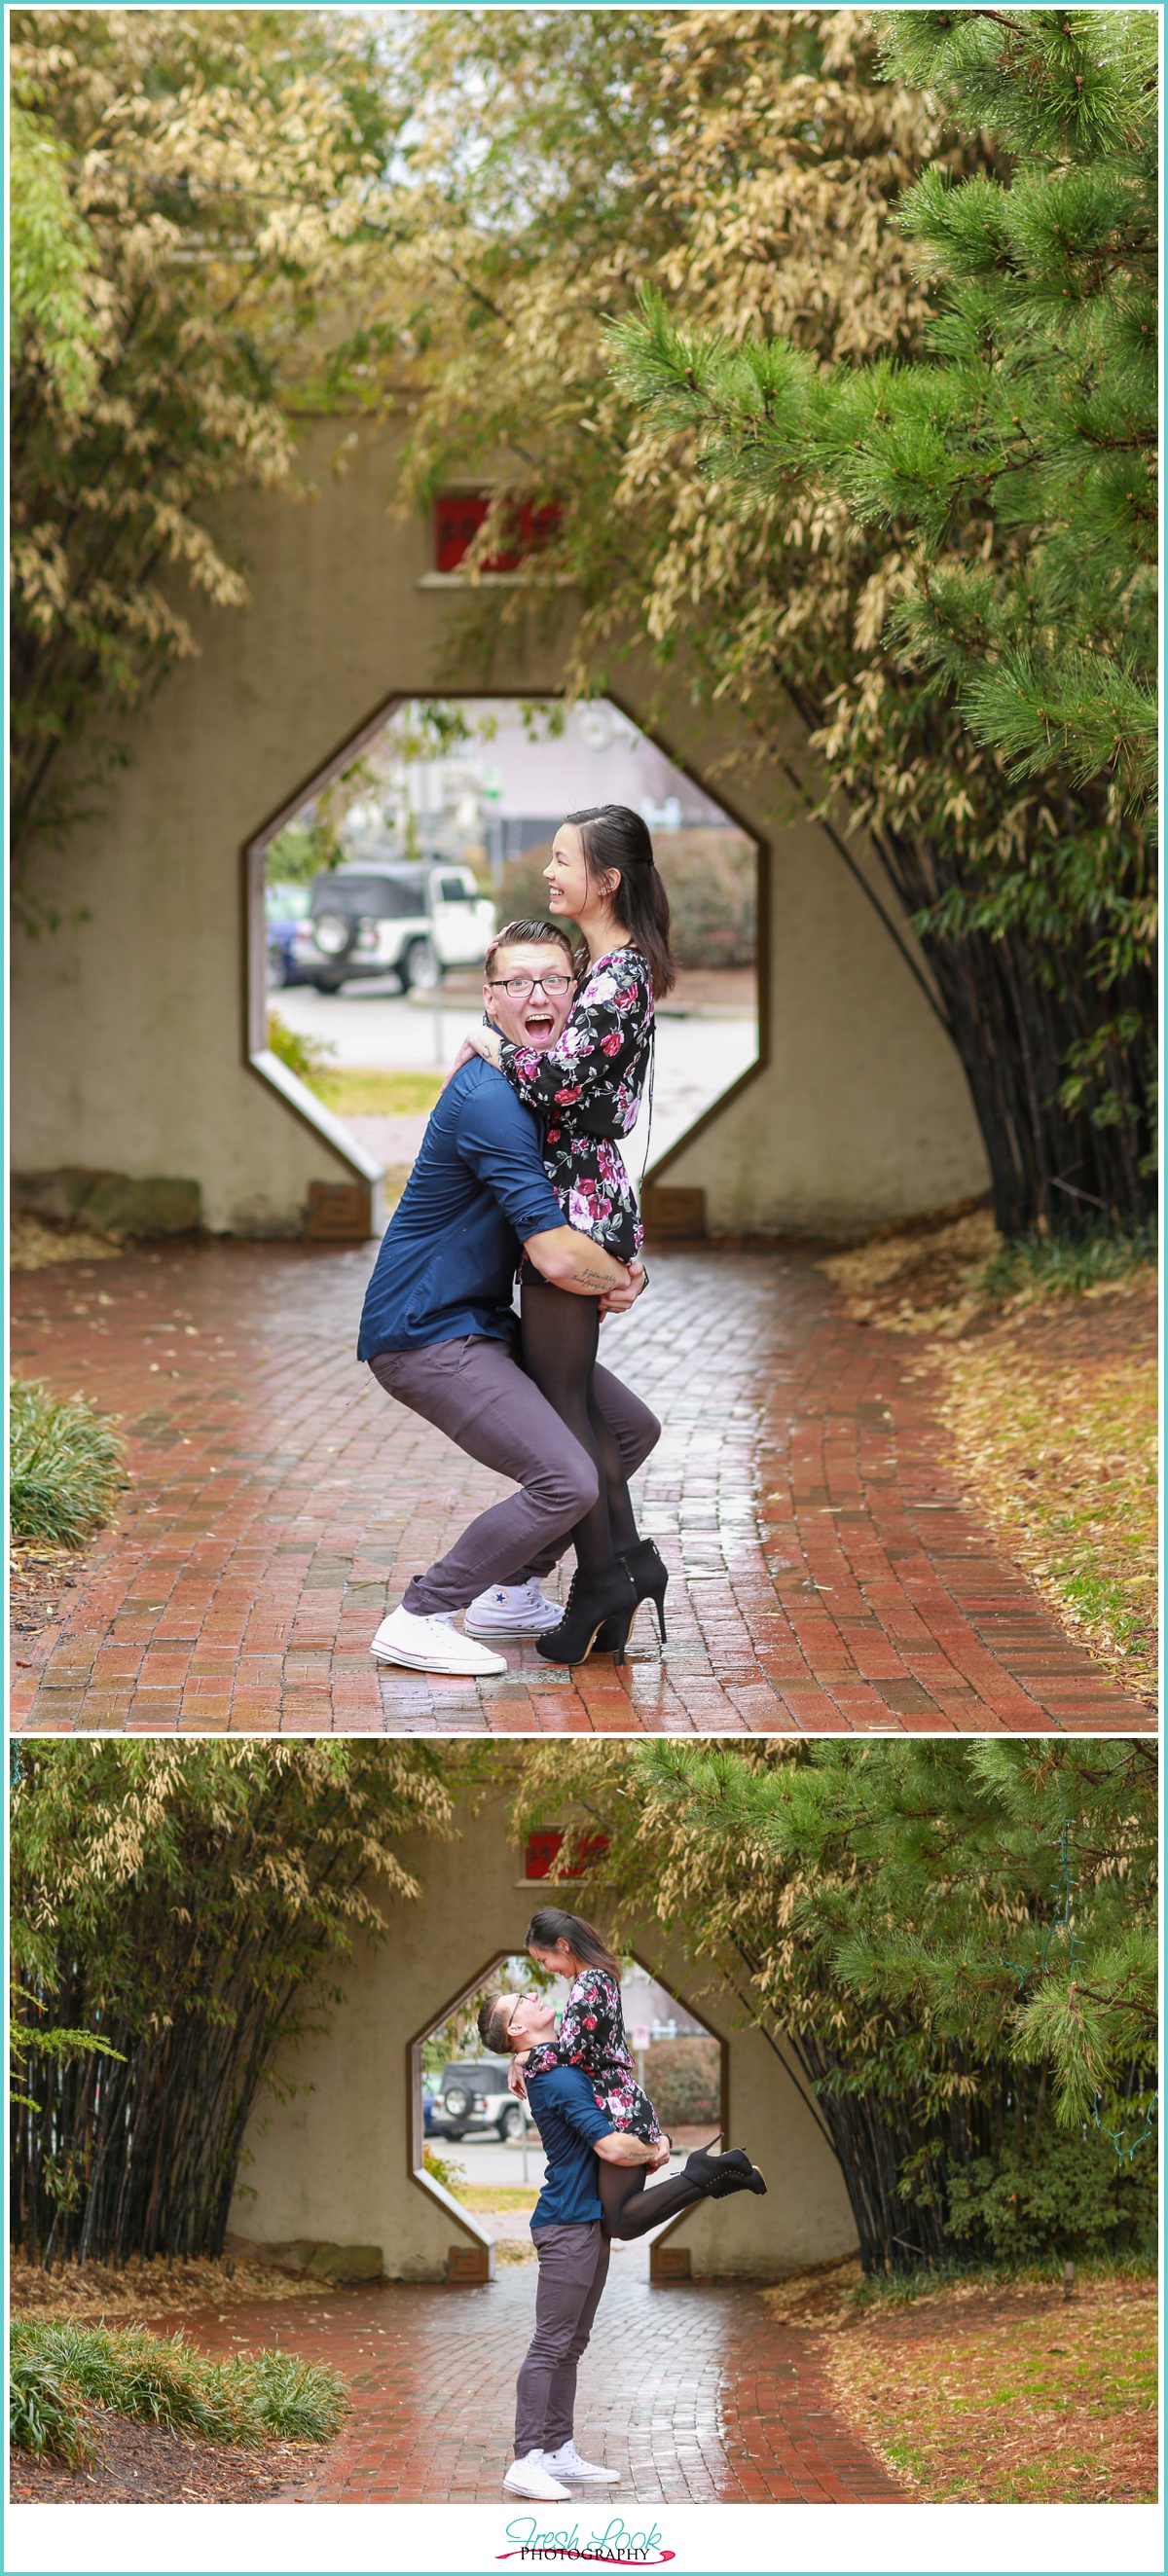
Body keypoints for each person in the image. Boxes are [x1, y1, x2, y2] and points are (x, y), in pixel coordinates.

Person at [357, 920, 660, 1680]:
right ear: (490, 1001)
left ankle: (514, 1589)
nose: (538, 995)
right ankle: (421, 1614)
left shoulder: (542, 1084)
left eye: (556, 980)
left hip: (486, 1324)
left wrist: (624, 1264)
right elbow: (557, 1253)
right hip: (425, 1331)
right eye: (517, 982)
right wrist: (615, 1276)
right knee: (566, 1477)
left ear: (578, 994)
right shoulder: (492, 1099)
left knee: (627, 1431)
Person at [451, 808, 674, 1666]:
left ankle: (608, 1575)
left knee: (564, 1403)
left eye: (563, 860)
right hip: (587, 1192)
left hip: (576, 1201)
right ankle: (615, 1577)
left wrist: (488, 1046)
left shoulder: (619, 975)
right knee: (572, 1400)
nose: (549, 873)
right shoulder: (615, 968)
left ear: (606, 880)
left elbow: (565, 1078)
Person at [478, 1982, 767, 2501]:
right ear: (517, 2027)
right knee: (550, 2344)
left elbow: (587, 2047)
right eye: (522, 1999)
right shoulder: (559, 2079)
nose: (533, 1993)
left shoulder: (549, 2064)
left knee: (572, 2344)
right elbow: (610, 2145)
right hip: (566, 2223)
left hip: (585, 2220)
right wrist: (655, 2148)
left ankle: (558, 2450)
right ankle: (526, 2460)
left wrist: (520, 2060)